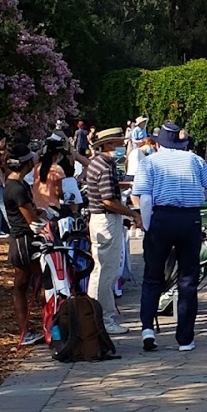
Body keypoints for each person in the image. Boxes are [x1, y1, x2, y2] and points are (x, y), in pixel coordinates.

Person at [134, 122, 207, 352]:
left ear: (158, 142)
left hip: (161, 217)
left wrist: (147, 226)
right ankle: (185, 338)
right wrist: (198, 195)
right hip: (189, 219)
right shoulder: (193, 160)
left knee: (152, 276)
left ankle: (147, 329)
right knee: (187, 280)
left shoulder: (150, 162)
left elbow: (144, 198)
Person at [84, 128, 143, 335]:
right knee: (106, 271)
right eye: (118, 143)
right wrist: (132, 214)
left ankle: (95, 315)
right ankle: (104, 318)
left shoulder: (96, 163)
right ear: (108, 145)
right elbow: (108, 200)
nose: (121, 147)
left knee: (100, 270)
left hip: (99, 219)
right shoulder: (106, 165)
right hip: (106, 220)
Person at [1, 143, 44, 346]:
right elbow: (31, 219)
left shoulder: (13, 184)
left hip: (17, 240)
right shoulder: (17, 188)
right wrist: (42, 221)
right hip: (25, 241)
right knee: (43, 281)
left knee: (21, 285)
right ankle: (48, 325)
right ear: (26, 164)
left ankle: (27, 330)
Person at [31, 135, 67, 211]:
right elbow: (58, 191)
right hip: (52, 207)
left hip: (37, 206)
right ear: (57, 155)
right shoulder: (57, 169)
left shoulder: (37, 166)